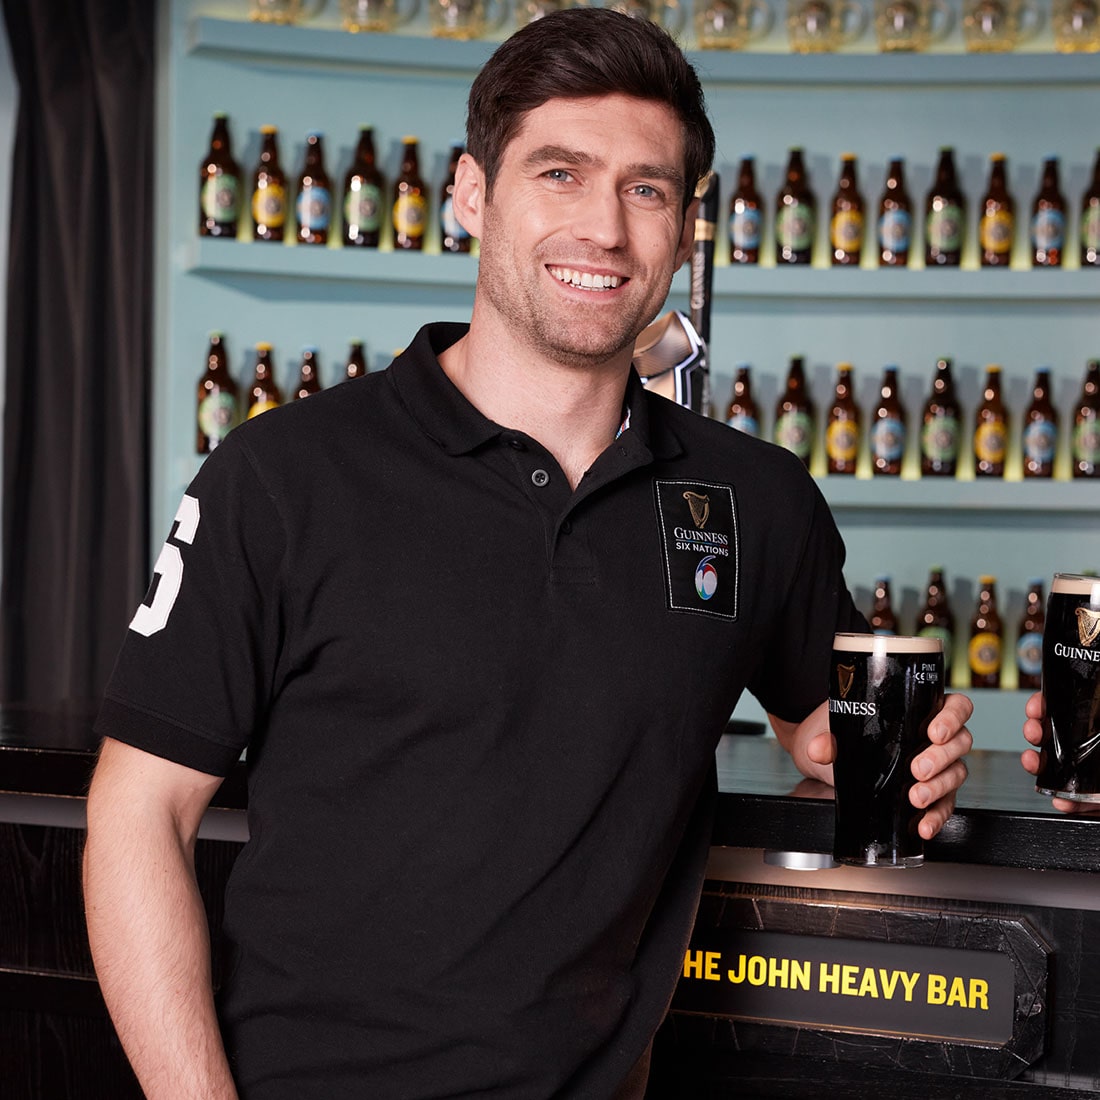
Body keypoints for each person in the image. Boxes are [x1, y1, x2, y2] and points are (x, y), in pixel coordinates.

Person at [82, 10, 974, 1099]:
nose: (602, 227)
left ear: (684, 230)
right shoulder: (279, 476)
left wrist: (888, 752)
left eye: (645, 189)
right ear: (471, 194)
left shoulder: (754, 498)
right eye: (559, 171)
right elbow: (138, 814)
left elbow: (813, 721)